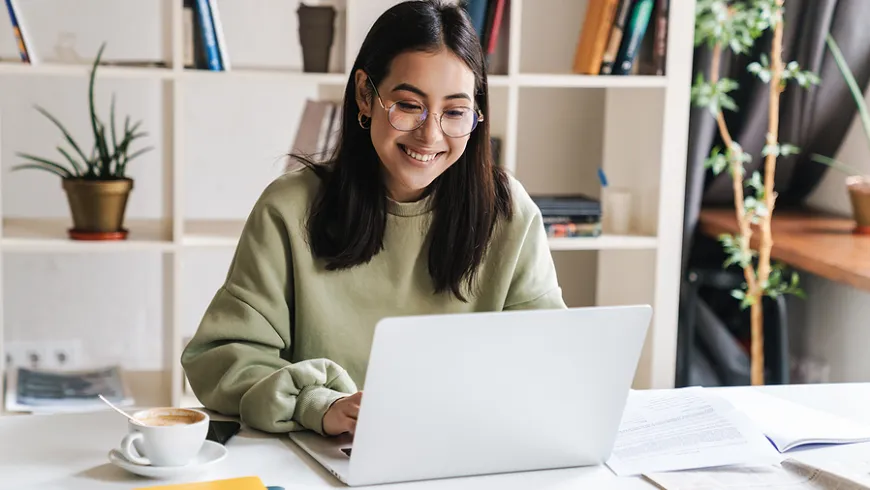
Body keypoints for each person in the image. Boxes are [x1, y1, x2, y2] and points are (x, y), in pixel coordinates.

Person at [181, 0, 566, 438]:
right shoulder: (289, 209)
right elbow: (222, 357)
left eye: (455, 112)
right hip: (324, 456)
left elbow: (547, 358)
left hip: (465, 450)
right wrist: (316, 404)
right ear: (366, 95)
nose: (431, 134)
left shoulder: (508, 213)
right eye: (408, 105)